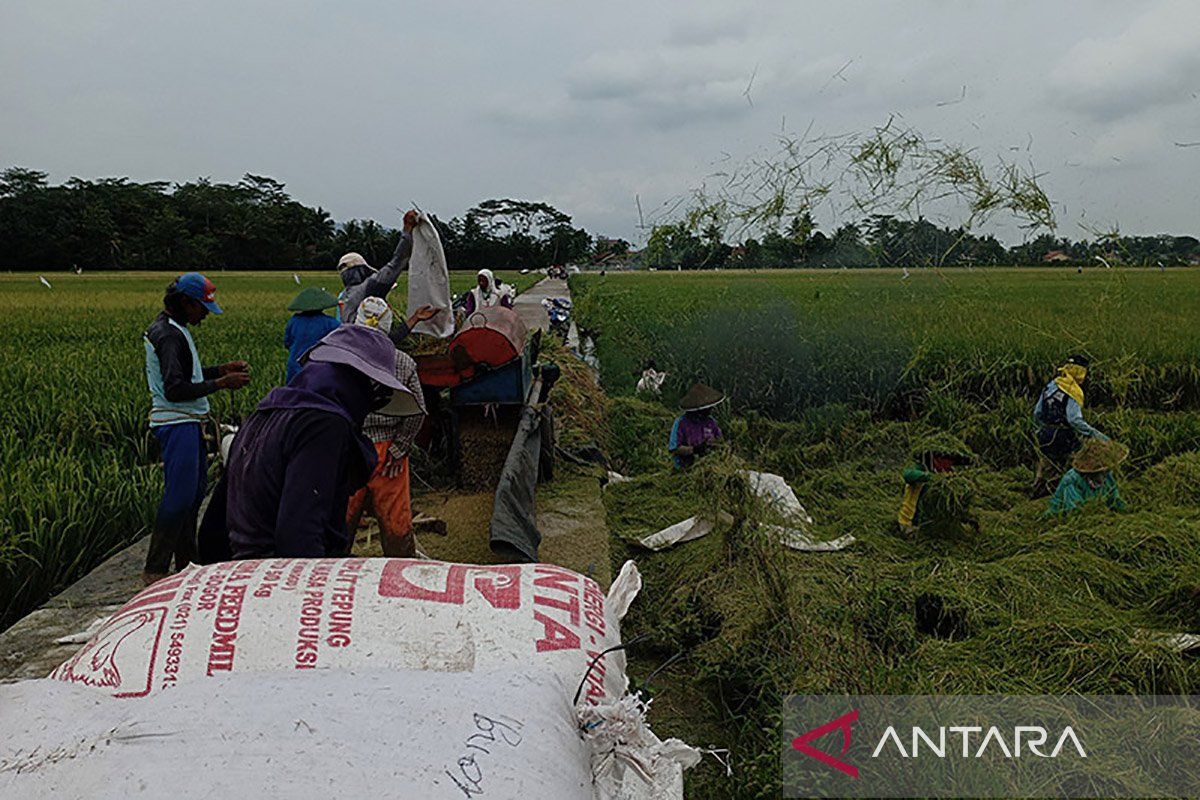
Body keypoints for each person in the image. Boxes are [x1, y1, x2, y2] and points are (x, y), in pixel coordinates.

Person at [225, 326, 420, 559]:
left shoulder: (265, 411)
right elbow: (299, 535)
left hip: (244, 567)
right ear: (360, 383)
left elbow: (213, 526)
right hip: (282, 574)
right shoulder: (324, 425)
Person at [142, 273, 249, 584]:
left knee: (192, 495)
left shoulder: (175, 328)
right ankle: (155, 568)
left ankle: (188, 562)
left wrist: (220, 370)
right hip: (177, 422)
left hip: (188, 422)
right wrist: (221, 383)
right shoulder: (169, 335)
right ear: (185, 302)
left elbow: (186, 374)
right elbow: (175, 388)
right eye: (201, 307)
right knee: (179, 496)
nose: (204, 314)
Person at [346, 298, 428, 557]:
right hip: (386, 451)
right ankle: (401, 567)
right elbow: (418, 410)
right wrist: (401, 447)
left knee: (342, 514)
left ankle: (332, 570)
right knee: (395, 518)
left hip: (351, 449)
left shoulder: (343, 359)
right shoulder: (402, 362)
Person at [1032, 355, 1107, 497]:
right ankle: (1085, 495)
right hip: (1063, 436)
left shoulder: (1050, 386)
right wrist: (1095, 434)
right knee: (1081, 464)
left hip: (1045, 435)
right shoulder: (1072, 390)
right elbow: (1074, 421)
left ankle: (1037, 495)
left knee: (1047, 467)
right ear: (1080, 373)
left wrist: (1042, 429)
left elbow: (1037, 413)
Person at [337, 209, 419, 338]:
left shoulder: (345, 297)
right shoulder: (368, 288)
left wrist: (415, 319)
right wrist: (407, 231)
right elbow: (395, 264)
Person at [897, 435, 975, 536]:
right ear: (936, 459)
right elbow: (907, 475)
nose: (949, 464)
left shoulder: (949, 476)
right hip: (911, 523)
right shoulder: (920, 468)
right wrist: (931, 477)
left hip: (931, 525)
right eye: (947, 460)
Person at [1048, 438, 1128, 515]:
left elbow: (1113, 498)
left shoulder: (1108, 476)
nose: (1106, 472)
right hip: (1065, 516)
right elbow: (1074, 509)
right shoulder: (1072, 480)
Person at [283, 286, 340, 384]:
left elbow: (287, 343)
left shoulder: (294, 321)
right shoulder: (331, 323)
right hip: (318, 369)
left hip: (294, 367)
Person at [669, 383, 724, 468]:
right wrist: (694, 449)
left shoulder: (710, 422)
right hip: (686, 466)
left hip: (708, 464)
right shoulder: (681, 423)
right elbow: (675, 448)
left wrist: (713, 444)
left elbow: (720, 440)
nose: (709, 411)